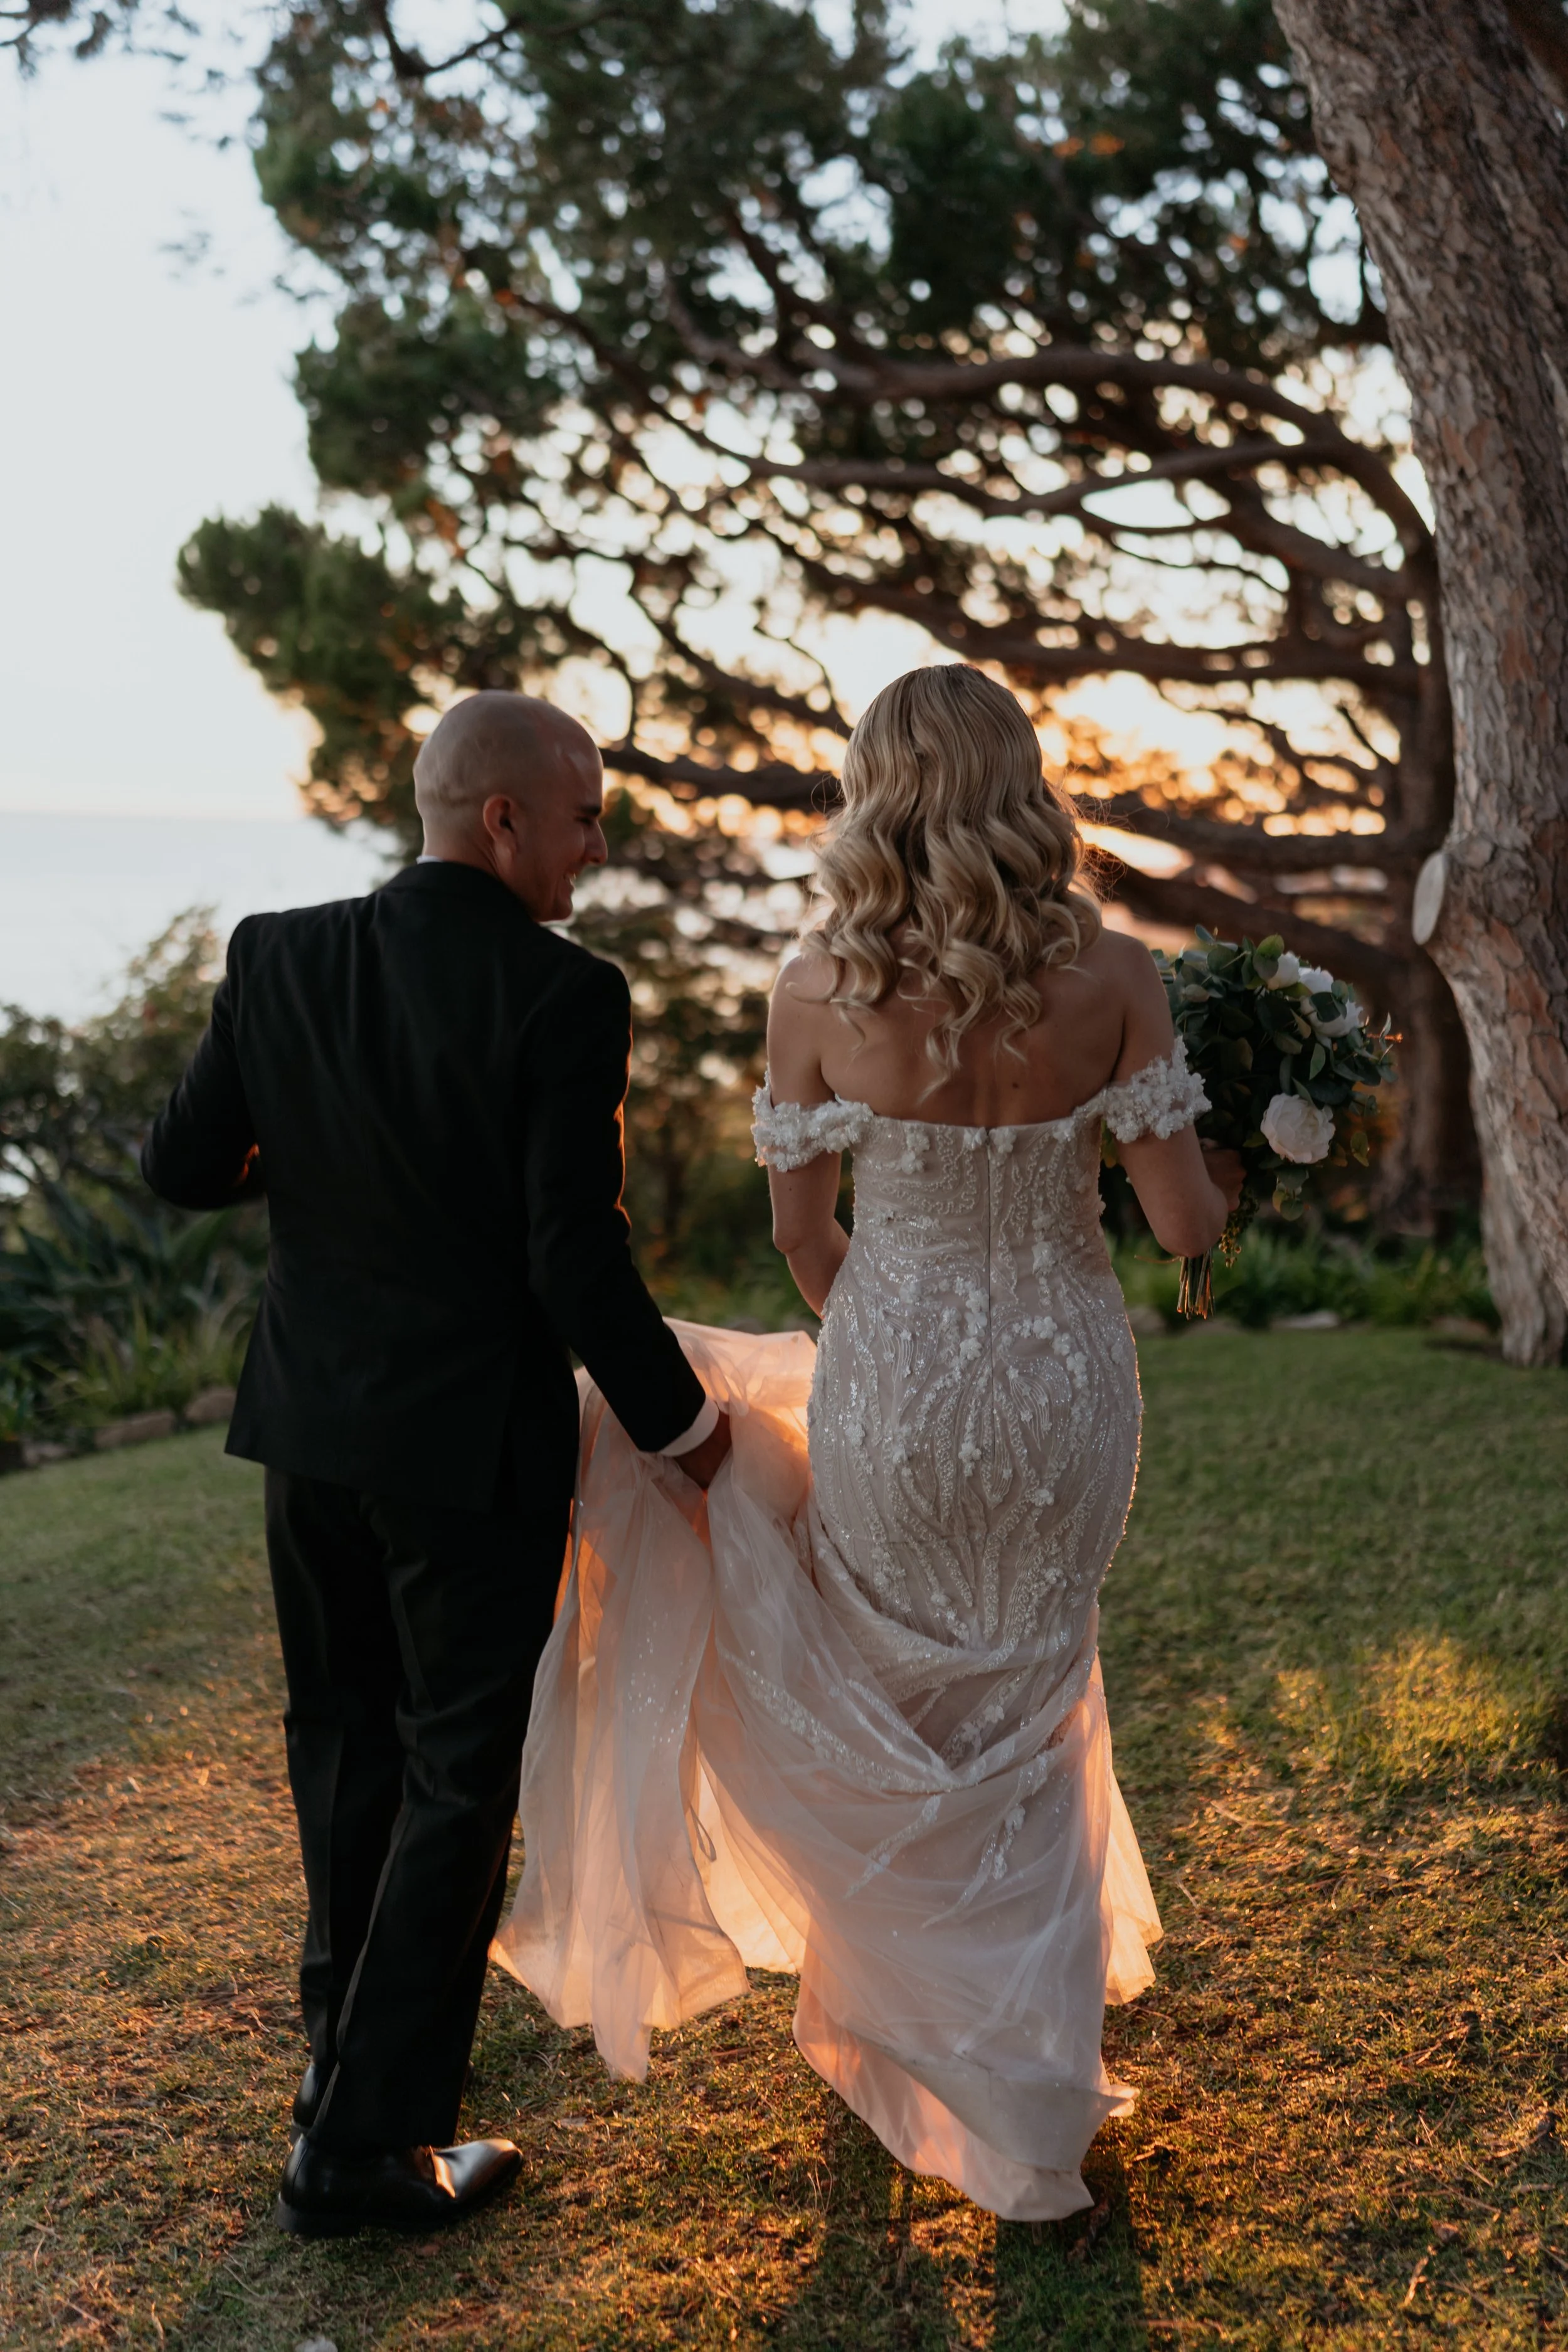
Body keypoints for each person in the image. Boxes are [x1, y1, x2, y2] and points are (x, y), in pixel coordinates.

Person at [497, 664, 1243, 2220]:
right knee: (1032, 1700)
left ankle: (891, 2034)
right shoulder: (1115, 973)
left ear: (870, 791)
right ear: (1021, 782)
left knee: (895, 1688)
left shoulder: (811, 987)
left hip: (892, 1373)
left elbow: (798, 1233)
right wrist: (1231, 1179)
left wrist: (891, 1338)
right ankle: (1032, 2113)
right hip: (1058, 1383)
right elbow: (1180, 1225)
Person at [140, 692, 730, 2240]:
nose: (601, 842)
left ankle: (339, 2073)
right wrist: (685, 1429)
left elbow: (187, 1166)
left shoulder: (276, 954)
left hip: (309, 1433)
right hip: (466, 1454)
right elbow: (569, 1257)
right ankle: (364, 2147)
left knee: (343, 1749)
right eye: (589, 814)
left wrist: (325, 1146)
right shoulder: (563, 993)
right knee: (459, 1781)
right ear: (504, 822)